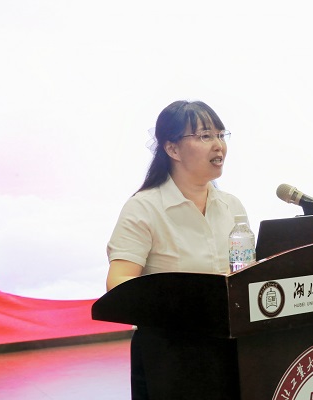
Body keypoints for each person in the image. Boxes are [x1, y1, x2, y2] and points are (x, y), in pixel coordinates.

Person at [105, 100, 248, 399]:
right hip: (169, 352)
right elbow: (118, 283)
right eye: (205, 136)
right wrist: (180, 299)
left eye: (221, 135)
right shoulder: (144, 208)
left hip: (232, 344)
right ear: (172, 149)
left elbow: (245, 269)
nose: (218, 145)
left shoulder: (231, 206)